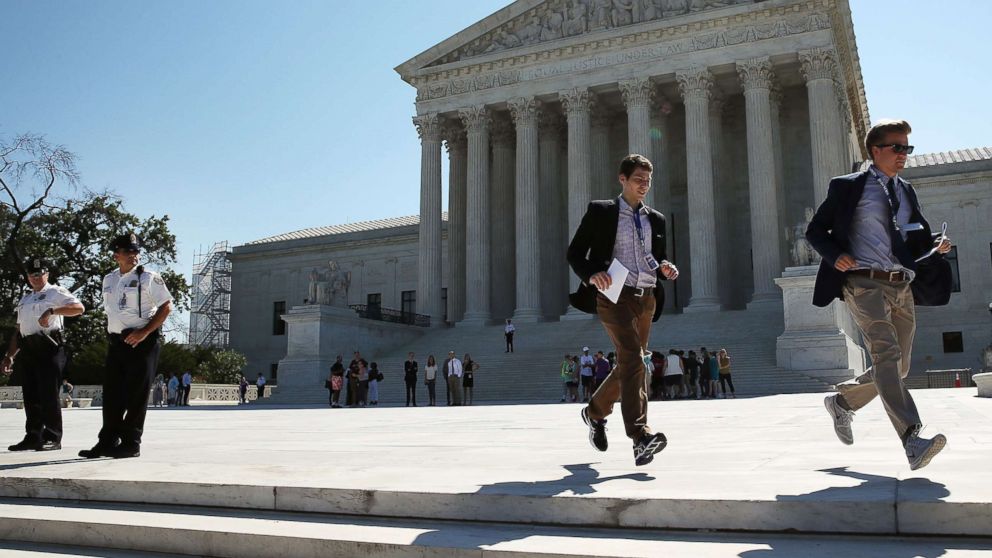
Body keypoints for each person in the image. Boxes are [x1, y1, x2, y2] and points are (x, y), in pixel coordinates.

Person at [807, 119, 952, 471]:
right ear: (876, 150)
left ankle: (843, 402)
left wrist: (935, 245)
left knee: (899, 365)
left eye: (907, 148)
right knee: (886, 354)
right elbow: (816, 230)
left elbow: (910, 235)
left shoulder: (906, 190)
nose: (903, 155)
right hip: (863, 281)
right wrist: (834, 254)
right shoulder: (848, 187)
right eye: (897, 147)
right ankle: (911, 437)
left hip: (900, 282)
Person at [567, 154, 679, 466]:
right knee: (632, 357)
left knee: (633, 362)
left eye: (648, 181)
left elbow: (658, 257)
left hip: (646, 296)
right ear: (622, 179)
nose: (644, 185)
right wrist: (591, 273)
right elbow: (575, 252)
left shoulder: (656, 219)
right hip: (613, 294)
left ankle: (594, 412)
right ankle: (640, 436)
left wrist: (666, 267)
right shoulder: (601, 212)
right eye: (638, 180)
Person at [79, 233, 172, 459]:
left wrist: (144, 332)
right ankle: (108, 441)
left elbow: (166, 307)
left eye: (136, 251)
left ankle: (131, 443)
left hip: (142, 342)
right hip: (117, 342)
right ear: (116, 255)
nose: (134, 255)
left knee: (136, 395)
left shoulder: (149, 277)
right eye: (128, 252)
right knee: (112, 395)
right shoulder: (109, 279)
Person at [2, 257, 85, 452]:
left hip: (49, 347)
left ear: (47, 274)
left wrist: (52, 310)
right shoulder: (26, 298)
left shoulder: (55, 292)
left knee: (49, 394)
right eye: (33, 275)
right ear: (28, 278)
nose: (37, 278)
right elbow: (19, 330)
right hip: (29, 348)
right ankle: (33, 435)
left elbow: (79, 308)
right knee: (30, 395)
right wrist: (10, 356)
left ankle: (53, 436)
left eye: (40, 274)